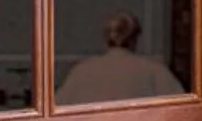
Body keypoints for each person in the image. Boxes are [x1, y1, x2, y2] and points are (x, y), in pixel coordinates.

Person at [55, 12, 183, 104]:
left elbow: (58, 107)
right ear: (135, 39)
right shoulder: (154, 72)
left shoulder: (81, 72)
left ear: (105, 39)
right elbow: (180, 109)